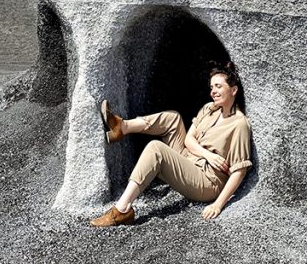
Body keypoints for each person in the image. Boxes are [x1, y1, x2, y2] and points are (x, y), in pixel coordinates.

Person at [90, 61, 253, 227]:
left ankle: (122, 210)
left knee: (156, 149)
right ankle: (122, 127)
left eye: (218, 86)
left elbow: (239, 171)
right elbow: (189, 140)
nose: (213, 92)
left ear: (233, 90)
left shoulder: (239, 124)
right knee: (173, 118)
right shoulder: (209, 109)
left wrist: (218, 204)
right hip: (191, 159)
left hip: (207, 182)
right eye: (211, 87)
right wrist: (208, 155)